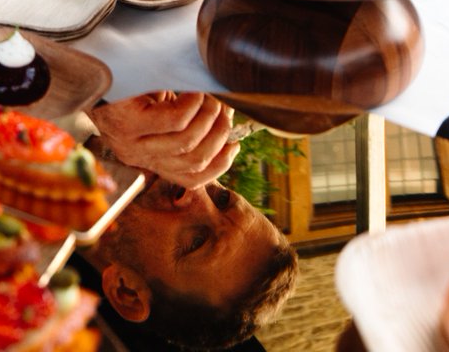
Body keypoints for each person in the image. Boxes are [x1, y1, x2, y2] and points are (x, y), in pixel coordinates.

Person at [80, 92, 298, 349]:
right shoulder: (147, 102)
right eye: (222, 198)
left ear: (125, 291)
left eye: (197, 241)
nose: (192, 189)